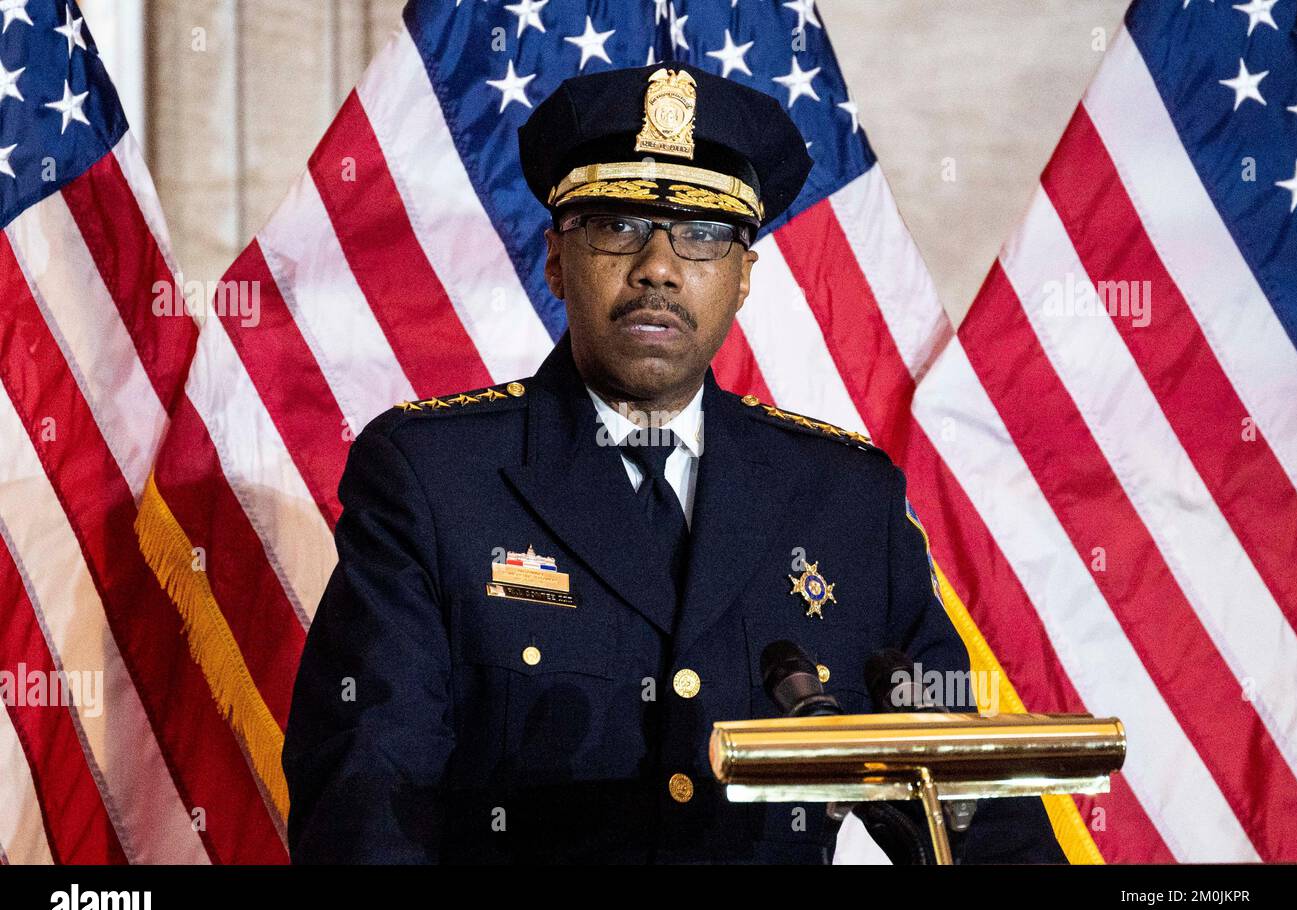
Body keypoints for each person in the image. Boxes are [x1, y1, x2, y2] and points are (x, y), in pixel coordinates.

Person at [281, 60, 1066, 864]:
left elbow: (977, 810)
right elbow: (364, 798)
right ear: (556, 260)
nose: (658, 265)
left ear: (743, 277)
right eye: (616, 225)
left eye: (702, 234)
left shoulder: (845, 503)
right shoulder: (436, 480)